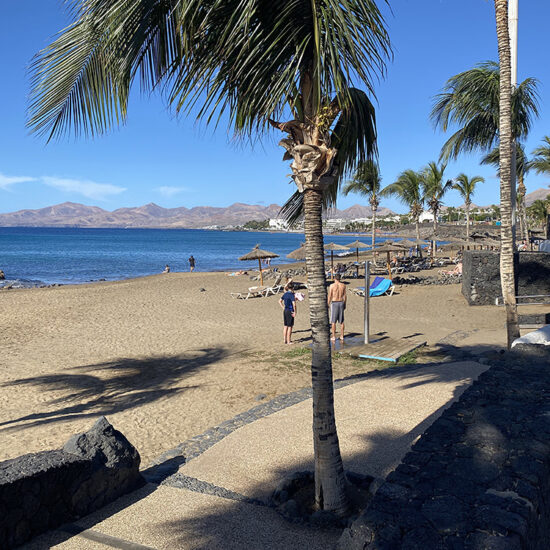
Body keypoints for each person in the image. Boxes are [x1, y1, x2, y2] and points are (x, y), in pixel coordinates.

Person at [327, 273, 346, 342]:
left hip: (335, 302)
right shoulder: (343, 285)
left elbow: (330, 296)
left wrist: (327, 304)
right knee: (341, 320)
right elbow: (344, 296)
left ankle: (334, 336)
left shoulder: (332, 286)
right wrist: (345, 304)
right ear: (340, 278)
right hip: (341, 302)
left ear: (334, 278)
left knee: (333, 321)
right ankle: (342, 335)